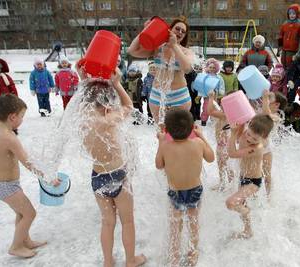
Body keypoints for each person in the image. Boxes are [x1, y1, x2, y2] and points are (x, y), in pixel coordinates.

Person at [80, 69, 146, 267]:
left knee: (107, 222)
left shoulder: (83, 119)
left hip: (97, 175)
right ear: (107, 103)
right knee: (127, 221)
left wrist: (84, 82)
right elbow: (129, 105)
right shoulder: (107, 121)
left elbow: (86, 98)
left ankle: (108, 261)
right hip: (118, 174)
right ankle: (130, 260)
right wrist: (117, 84)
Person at [0, 94, 60, 258]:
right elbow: (27, 162)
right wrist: (48, 178)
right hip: (6, 187)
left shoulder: (2, 131)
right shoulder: (8, 137)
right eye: (21, 116)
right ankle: (15, 246)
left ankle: (24, 240)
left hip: (5, 184)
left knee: (22, 214)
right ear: (12, 117)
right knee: (29, 214)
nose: (22, 120)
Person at [155, 109, 215, 266]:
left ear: (166, 130)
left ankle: (174, 256)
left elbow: (159, 165)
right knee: (193, 222)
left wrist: (161, 142)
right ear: (191, 130)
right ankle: (193, 253)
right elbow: (211, 158)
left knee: (176, 224)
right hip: (195, 190)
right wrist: (202, 136)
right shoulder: (198, 143)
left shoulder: (166, 146)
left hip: (175, 191)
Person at [128, 16, 195, 124]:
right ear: (170, 30)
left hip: (179, 95)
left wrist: (174, 45)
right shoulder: (157, 48)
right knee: (161, 130)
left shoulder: (186, 52)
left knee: (179, 132)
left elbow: (187, 69)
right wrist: (144, 32)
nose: (180, 32)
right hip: (157, 94)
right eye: (177, 29)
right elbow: (132, 51)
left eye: (183, 31)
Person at [225, 114, 274, 239]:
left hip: (253, 182)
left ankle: (247, 212)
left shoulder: (257, 148)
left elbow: (231, 153)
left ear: (264, 138)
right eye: (249, 135)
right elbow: (239, 122)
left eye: (255, 138)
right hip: (243, 177)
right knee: (242, 203)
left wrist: (233, 133)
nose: (250, 139)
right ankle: (248, 231)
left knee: (231, 203)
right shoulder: (246, 131)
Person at [207, 91, 235, 192]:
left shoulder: (225, 115)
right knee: (221, 165)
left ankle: (231, 185)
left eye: (224, 102)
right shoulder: (226, 114)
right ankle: (223, 183)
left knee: (227, 166)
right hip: (221, 145)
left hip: (225, 146)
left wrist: (210, 98)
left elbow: (210, 111)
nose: (221, 104)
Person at [278, 4, 300, 69]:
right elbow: (281, 35)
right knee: (283, 62)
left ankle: (290, 76)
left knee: (290, 63)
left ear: (297, 14)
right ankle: (284, 75)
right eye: (290, 14)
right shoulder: (285, 24)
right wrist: (280, 46)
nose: (292, 15)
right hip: (284, 48)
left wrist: (299, 50)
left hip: (293, 49)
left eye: (293, 13)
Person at [199, 58, 225, 126]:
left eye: (214, 67)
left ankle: (213, 119)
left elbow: (221, 85)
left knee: (214, 107)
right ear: (207, 67)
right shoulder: (205, 76)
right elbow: (201, 86)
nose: (212, 69)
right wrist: (200, 94)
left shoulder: (218, 77)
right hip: (207, 95)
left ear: (216, 68)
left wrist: (221, 92)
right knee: (205, 107)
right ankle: (204, 119)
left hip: (215, 95)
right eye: (210, 67)